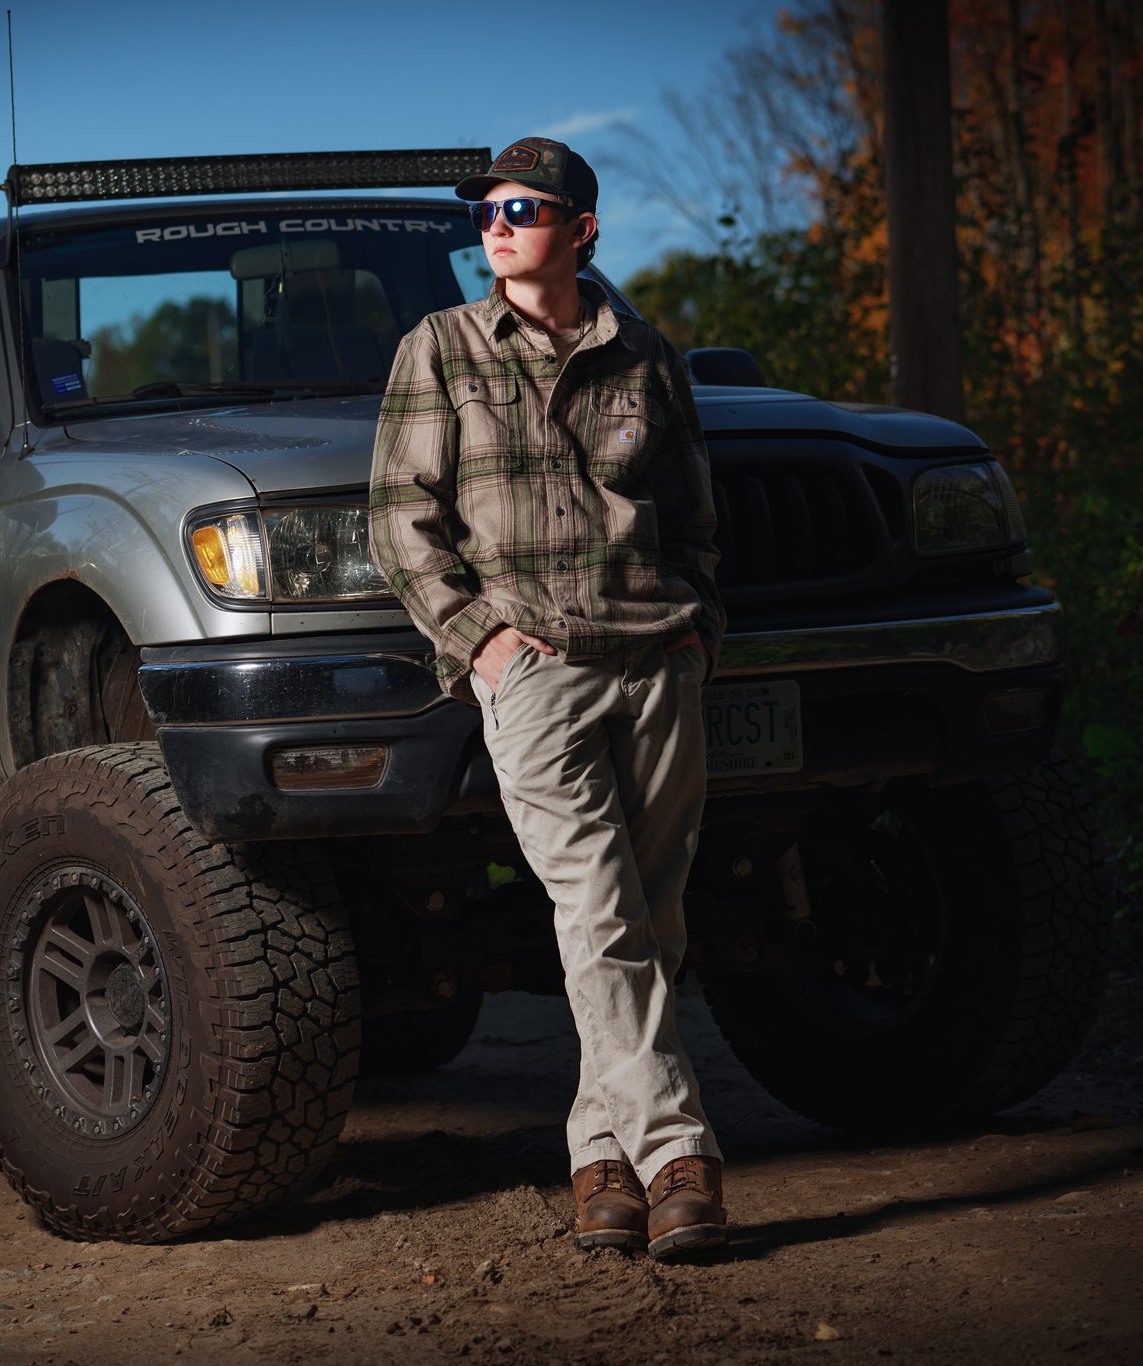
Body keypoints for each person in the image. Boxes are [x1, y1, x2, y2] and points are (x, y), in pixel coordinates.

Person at [368, 137, 726, 1259]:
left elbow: (693, 512)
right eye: (483, 208)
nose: (495, 221)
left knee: (646, 925)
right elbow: (397, 519)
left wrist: (698, 627)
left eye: (521, 206)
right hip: (535, 672)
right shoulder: (438, 349)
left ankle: (600, 1165)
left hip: (656, 657)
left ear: (579, 227)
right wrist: (481, 644)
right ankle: (678, 1156)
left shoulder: (643, 352)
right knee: (600, 911)